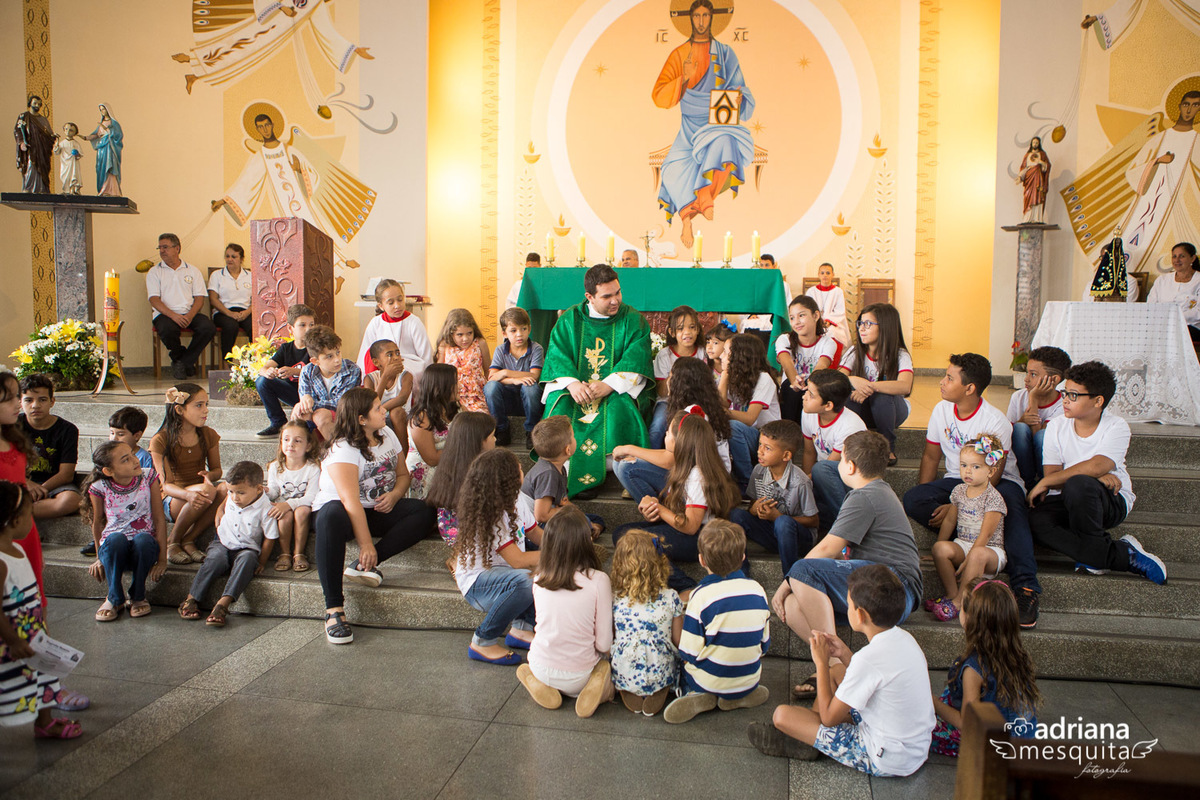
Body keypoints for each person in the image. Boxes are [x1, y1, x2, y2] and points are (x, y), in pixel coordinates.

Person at [749, 564, 935, 777]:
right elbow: (874, 674)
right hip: (915, 748)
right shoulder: (904, 638)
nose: (847, 609)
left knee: (782, 716)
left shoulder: (868, 659)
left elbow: (828, 719)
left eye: (848, 605)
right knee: (837, 672)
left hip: (885, 757)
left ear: (860, 614)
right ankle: (810, 736)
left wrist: (821, 663)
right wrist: (845, 653)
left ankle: (809, 741)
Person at [775, 432, 921, 700]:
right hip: (882, 591)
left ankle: (836, 667)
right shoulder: (877, 492)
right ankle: (834, 667)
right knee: (793, 604)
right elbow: (839, 556)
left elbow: (826, 549)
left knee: (802, 570)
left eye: (840, 459)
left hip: (895, 589)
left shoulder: (864, 496)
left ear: (850, 465)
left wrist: (785, 582)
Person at [902, 353, 1043, 628]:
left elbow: (994, 475)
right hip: (958, 479)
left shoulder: (994, 421)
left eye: (949, 378)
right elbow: (931, 457)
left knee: (1012, 511)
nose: (941, 382)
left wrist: (963, 504)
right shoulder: (942, 410)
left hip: (999, 481)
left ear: (970, 388)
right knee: (913, 498)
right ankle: (967, 533)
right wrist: (949, 502)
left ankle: (1026, 588)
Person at [312, 389, 436, 644]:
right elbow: (349, 501)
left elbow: (403, 475)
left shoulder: (387, 433)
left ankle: (364, 566)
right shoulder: (342, 449)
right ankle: (334, 610)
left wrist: (395, 495)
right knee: (330, 515)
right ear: (361, 419)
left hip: (377, 507)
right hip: (343, 513)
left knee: (425, 510)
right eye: (378, 408)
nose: (384, 411)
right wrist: (365, 544)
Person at [1029, 361, 1165, 583]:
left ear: (1098, 400)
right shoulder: (1056, 426)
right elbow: (1052, 475)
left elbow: (1096, 465)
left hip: (1111, 501)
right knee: (1034, 520)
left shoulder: (1116, 426)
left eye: (1073, 395)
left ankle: (1094, 553)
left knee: (1079, 484)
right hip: (1070, 498)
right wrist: (1093, 473)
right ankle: (1121, 554)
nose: (1064, 399)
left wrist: (1091, 472)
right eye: (1064, 392)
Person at [541, 264, 653, 497]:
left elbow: (637, 357)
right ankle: (565, 466)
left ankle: (614, 466)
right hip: (577, 389)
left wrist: (610, 384)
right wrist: (571, 383)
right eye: (607, 296)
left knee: (620, 407)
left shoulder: (632, 320)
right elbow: (556, 356)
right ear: (589, 297)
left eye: (618, 292)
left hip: (613, 389)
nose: (616, 300)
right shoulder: (570, 320)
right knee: (559, 405)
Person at [653, 0, 756, 248]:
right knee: (671, 170)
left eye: (706, 16)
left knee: (726, 143)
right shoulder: (678, 54)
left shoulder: (726, 53)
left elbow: (739, 86)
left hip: (717, 123)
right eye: (696, 16)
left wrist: (740, 96)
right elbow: (659, 94)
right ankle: (687, 217)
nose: (701, 22)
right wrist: (684, 77)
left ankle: (703, 197)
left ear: (712, 18)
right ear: (690, 19)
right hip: (689, 128)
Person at [612, 409, 740, 593]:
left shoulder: (697, 475)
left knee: (633, 542)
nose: (665, 435)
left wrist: (658, 508)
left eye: (668, 432)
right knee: (623, 534)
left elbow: (690, 527)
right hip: (689, 531)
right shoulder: (685, 466)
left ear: (680, 441)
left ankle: (686, 586)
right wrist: (653, 509)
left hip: (700, 537)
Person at [664, 520, 771, 724]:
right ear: (742, 557)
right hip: (749, 676)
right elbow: (764, 644)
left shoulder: (701, 596)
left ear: (701, 560)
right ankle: (740, 693)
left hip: (708, 679)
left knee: (681, 665)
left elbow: (689, 652)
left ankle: (696, 693)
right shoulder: (758, 590)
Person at [0, 480, 82, 739]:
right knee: (9, 684)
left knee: (45, 675)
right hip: (9, 641)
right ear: (14, 521)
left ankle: (45, 722)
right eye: (29, 515)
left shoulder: (16, 550)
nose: (31, 520)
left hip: (31, 633)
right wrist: (12, 640)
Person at [518, 508, 615, 717]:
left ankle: (537, 681)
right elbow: (604, 644)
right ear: (586, 542)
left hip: (539, 663)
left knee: (540, 663)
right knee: (606, 669)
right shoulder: (598, 580)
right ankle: (597, 689)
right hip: (580, 675)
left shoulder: (538, 578)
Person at [931, 578, 1041, 757]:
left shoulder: (974, 668)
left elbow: (968, 723)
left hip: (994, 749)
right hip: (1023, 740)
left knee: (923, 727)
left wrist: (933, 703)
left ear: (970, 619)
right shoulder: (1017, 655)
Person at [452, 449, 539, 664]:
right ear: (507, 480)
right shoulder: (493, 511)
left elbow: (536, 534)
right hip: (479, 585)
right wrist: (558, 555)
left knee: (540, 571)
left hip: (504, 576)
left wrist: (564, 547)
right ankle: (483, 641)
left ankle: (522, 630)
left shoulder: (517, 499)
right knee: (526, 580)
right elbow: (517, 560)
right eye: (518, 469)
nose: (522, 471)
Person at [614, 360, 734, 502]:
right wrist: (633, 454)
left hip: (705, 487)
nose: (668, 381)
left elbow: (670, 460)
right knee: (622, 461)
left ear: (682, 384)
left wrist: (630, 449)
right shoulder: (694, 407)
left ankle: (660, 512)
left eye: (671, 377)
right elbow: (674, 454)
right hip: (690, 476)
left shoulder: (694, 413)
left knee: (627, 468)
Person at [178, 461, 278, 627]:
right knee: (215, 559)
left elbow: (270, 537)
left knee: (247, 559)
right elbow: (226, 498)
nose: (234, 497)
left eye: (240, 493)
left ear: (259, 489)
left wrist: (262, 561)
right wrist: (220, 509)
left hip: (247, 548)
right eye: (231, 492)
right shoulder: (232, 497)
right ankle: (191, 598)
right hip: (222, 542)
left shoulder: (265, 509)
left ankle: (222, 604)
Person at [82, 441, 167, 622]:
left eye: (132, 455)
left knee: (143, 539)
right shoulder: (99, 487)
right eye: (125, 460)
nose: (135, 461)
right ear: (109, 471)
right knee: (115, 539)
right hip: (114, 549)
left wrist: (162, 560)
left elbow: (159, 518)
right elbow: (97, 523)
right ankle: (114, 598)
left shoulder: (149, 476)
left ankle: (138, 596)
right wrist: (99, 557)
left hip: (143, 550)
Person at [928, 436, 1009, 622]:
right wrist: (940, 542)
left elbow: (986, 534)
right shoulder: (958, 491)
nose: (968, 471)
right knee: (940, 549)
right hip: (963, 544)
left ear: (991, 471)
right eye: (964, 465)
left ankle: (960, 603)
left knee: (978, 554)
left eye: (976, 467)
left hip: (989, 551)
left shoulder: (993, 498)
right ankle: (952, 595)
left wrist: (968, 560)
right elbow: (949, 521)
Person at [609, 528, 684, 716]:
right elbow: (678, 640)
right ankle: (661, 686)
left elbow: (613, 636)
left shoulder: (615, 599)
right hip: (662, 669)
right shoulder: (671, 597)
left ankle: (627, 686)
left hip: (625, 669)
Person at [149, 384, 226, 565]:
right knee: (206, 491)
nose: (205, 410)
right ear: (179, 409)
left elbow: (217, 470)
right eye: (199, 405)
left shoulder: (208, 434)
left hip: (201, 494)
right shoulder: (161, 440)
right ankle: (172, 540)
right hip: (172, 499)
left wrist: (210, 475)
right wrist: (188, 494)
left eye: (206, 404)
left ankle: (189, 538)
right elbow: (166, 485)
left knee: (225, 488)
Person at [730, 419, 817, 575]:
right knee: (736, 515)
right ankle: (741, 573)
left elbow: (814, 521)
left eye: (768, 448)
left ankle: (790, 577)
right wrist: (754, 510)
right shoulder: (758, 471)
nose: (760, 451)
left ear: (786, 455)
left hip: (798, 539)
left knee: (783, 522)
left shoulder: (800, 482)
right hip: (771, 534)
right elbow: (751, 505)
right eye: (760, 445)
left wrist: (778, 516)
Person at [838, 303, 912, 462]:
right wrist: (852, 379)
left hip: (891, 412)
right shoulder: (855, 351)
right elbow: (836, 379)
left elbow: (905, 386)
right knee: (848, 396)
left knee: (882, 396)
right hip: (863, 410)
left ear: (885, 327)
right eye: (860, 323)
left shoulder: (900, 355)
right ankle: (853, 446)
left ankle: (888, 447)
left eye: (868, 324)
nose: (861, 328)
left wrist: (869, 387)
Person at [517, 416, 603, 542]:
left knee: (595, 519)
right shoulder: (548, 474)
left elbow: (562, 502)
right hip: (532, 532)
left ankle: (587, 532)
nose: (575, 439)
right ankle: (583, 537)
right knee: (579, 524)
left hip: (547, 518)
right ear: (568, 450)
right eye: (573, 436)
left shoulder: (557, 468)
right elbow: (541, 515)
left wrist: (580, 517)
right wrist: (575, 515)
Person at [801, 369, 867, 526]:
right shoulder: (809, 413)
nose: (804, 397)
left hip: (851, 484)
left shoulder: (849, 426)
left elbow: (832, 466)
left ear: (828, 405)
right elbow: (809, 452)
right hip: (826, 481)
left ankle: (847, 526)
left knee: (821, 468)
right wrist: (802, 484)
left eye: (811, 395)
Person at [147, 233, 217, 380]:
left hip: (189, 312)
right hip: (165, 315)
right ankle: (182, 359)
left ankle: (183, 362)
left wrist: (189, 316)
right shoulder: (154, 272)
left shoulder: (192, 270)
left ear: (177, 248)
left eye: (165, 247)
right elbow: (154, 299)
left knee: (208, 327)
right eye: (159, 248)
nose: (162, 251)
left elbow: (199, 298)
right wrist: (174, 316)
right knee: (167, 329)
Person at [0, 372, 44, 598]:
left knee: (34, 590)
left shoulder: (13, 438)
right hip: (3, 529)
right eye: (8, 399)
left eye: (18, 396)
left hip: (24, 525)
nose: (18, 403)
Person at [424, 412, 497, 548]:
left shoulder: (450, 464)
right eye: (492, 436)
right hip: (473, 537)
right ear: (479, 441)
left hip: (450, 531)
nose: (495, 440)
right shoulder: (479, 472)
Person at [719, 333, 781, 491]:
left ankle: (747, 482)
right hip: (748, 435)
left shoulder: (764, 379)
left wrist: (722, 411)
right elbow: (720, 403)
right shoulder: (734, 377)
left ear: (739, 357)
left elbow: (749, 418)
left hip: (767, 438)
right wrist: (724, 376)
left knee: (732, 426)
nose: (721, 355)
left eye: (726, 352)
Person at [19, 374, 82, 520]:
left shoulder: (67, 430)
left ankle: (17, 511)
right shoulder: (12, 426)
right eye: (28, 400)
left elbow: (66, 474)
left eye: (42, 399)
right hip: (19, 480)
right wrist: (26, 483)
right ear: (19, 402)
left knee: (72, 500)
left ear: (52, 401)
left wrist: (40, 489)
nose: (35, 405)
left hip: (53, 484)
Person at [1007, 346, 1070, 488]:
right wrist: (1021, 421)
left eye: (1033, 374)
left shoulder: (1063, 404)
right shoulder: (1018, 397)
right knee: (1019, 428)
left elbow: (1040, 438)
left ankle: (1044, 484)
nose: (1026, 379)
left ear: (1054, 380)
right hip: (1022, 462)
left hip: (1048, 464)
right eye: (1026, 373)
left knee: (1043, 435)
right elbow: (1008, 434)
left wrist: (1033, 398)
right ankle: (1026, 484)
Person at [485, 306, 544, 447]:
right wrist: (513, 380)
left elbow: (534, 375)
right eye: (513, 330)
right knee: (491, 387)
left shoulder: (536, 349)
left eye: (523, 329)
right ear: (504, 333)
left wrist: (505, 372)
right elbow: (492, 378)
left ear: (529, 329)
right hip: (507, 400)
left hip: (530, 401)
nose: (519, 334)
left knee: (530, 386)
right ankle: (502, 429)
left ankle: (531, 431)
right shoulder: (500, 350)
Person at [266, 421, 320, 573]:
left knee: (301, 511)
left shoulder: (312, 468)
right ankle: (284, 553)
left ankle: (299, 553)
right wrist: (264, 491)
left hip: (304, 507)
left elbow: (312, 496)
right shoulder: (276, 466)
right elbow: (274, 491)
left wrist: (290, 504)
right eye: (286, 439)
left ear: (308, 446)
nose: (291, 444)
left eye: (297, 440)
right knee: (284, 515)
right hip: (284, 508)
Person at [355, 279, 434, 384]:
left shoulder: (414, 322)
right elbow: (365, 355)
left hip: (410, 368)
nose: (397, 305)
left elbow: (426, 356)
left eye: (400, 300)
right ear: (381, 306)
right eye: (391, 303)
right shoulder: (375, 324)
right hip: (382, 368)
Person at [255, 303, 315, 437]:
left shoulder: (317, 348)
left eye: (311, 325)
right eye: (302, 325)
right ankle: (278, 423)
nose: (308, 329)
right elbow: (264, 367)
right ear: (290, 328)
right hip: (293, 394)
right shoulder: (286, 349)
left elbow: (322, 371)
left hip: (313, 396)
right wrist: (267, 371)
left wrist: (296, 372)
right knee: (262, 381)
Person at [777, 295, 838, 424]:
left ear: (816, 316)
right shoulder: (784, 339)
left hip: (813, 387)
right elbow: (787, 363)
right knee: (791, 390)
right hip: (791, 388)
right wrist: (795, 381)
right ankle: (789, 432)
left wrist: (809, 385)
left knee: (814, 394)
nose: (796, 322)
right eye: (792, 318)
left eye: (801, 315)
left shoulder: (828, 342)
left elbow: (822, 365)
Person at [650, 306, 705, 448]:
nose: (687, 332)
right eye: (680, 329)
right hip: (668, 401)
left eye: (692, 327)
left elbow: (706, 386)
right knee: (657, 427)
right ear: (672, 332)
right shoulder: (665, 355)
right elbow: (661, 391)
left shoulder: (703, 353)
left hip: (697, 400)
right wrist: (675, 376)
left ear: (698, 329)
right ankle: (652, 464)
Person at [295, 325, 362, 443]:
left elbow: (341, 403)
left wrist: (312, 404)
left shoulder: (352, 369)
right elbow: (305, 404)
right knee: (298, 415)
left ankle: (340, 451)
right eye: (329, 356)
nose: (337, 359)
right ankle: (309, 456)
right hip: (316, 419)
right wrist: (303, 404)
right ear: (315, 361)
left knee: (321, 416)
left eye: (338, 352)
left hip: (346, 419)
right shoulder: (307, 372)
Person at [406, 363, 459, 500]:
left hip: (450, 466)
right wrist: (462, 449)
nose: (459, 387)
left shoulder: (457, 408)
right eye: (455, 383)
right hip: (427, 473)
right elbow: (432, 459)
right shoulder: (421, 417)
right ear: (441, 387)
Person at [363, 339, 413, 451]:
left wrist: (381, 409)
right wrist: (385, 377)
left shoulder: (406, 376)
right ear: (376, 362)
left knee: (396, 412)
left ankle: (403, 456)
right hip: (376, 416)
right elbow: (370, 403)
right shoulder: (370, 379)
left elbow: (402, 399)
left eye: (398, 353)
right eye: (390, 355)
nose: (396, 357)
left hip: (401, 417)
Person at [437, 308, 490, 413]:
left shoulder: (480, 343)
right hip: (453, 397)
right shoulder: (444, 346)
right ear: (451, 334)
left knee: (481, 421)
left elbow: (488, 370)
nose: (465, 338)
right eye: (460, 335)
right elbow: (439, 375)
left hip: (477, 396)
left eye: (469, 333)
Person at [208, 243, 254, 363]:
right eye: (227, 256)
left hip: (245, 311)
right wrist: (229, 313)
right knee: (230, 326)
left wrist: (247, 312)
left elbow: (256, 300)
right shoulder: (217, 275)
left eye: (234, 257)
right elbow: (213, 299)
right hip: (223, 312)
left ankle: (252, 362)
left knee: (255, 326)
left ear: (241, 259)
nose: (230, 259)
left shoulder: (250, 276)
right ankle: (227, 362)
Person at [1146, 242, 1200, 340]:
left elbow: (1197, 312)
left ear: (1192, 258)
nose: (1177, 260)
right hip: (1162, 324)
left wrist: (1173, 317)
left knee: (1170, 333)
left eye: (1182, 256)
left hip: (1190, 327)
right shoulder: (1162, 280)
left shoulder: (1198, 280)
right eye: (1174, 256)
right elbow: (1151, 305)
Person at [13, 94, 54, 193]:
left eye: (39, 104)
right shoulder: (24, 117)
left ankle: (42, 188)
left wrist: (52, 137)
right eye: (35, 103)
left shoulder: (43, 119)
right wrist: (22, 142)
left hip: (42, 148)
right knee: (31, 165)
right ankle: (29, 187)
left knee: (42, 167)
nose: (37, 106)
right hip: (30, 147)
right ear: (30, 103)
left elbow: (49, 133)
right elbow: (17, 130)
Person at [806, 263, 849, 346]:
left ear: (833, 275)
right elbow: (807, 309)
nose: (825, 275)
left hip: (832, 324)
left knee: (832, 332)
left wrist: (829, 321)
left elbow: (840, 311)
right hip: (815, 322)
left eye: (828, 273)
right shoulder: (811, 291)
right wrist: (818, 321)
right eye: (822, 273)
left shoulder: (838, 291)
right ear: (818, 275)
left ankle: (831, 358)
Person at [85, 103, 122, 196]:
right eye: (100, 110)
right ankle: (103, 189)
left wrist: (108, 131)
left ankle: (112, 190)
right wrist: (87, 137)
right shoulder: (101, 124)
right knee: (101, 167)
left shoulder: (114, 123)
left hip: (110, 147)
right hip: (102, 148)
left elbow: (118, 136)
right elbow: (97, 135)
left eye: (103, 109)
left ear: (107, 110)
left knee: (110, 167)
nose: (102, 111)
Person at [1018, 137, 1051, 223]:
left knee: (1038, 196)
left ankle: (1037, 218)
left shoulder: (1042, 154)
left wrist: (1040, 161)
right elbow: (1024, 168)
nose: (1035, 144)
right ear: (1031, 144)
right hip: (1029, 180)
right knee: (1028, 196)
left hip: (1038, 179)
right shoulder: (1027, 155)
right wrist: (1020, 177)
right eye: (1034, 142)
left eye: (1037, 143)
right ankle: (1027, 217)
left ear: (1039, 144)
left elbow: (1047, 167)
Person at [53, 122, 84, 195]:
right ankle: (66, 191)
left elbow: (80, 154)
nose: (68, 132)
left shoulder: (75, 143)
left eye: (71, 130)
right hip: (65, 163)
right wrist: (57, 142)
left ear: (75, 133)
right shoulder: (62, 143)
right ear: (64, 130)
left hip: (73, 164)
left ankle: (73, 190)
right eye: (66, 129)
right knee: (66, 177)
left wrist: (77, 154)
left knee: (74, 176)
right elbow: (56, 151)